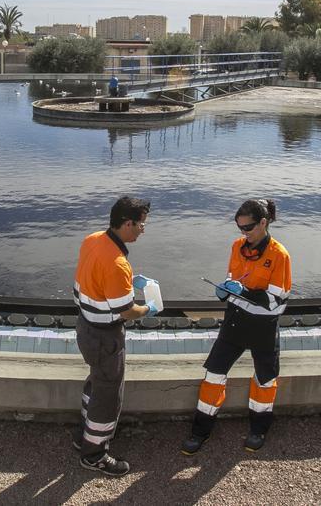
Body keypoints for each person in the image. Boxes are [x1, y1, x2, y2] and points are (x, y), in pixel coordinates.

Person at [181, 198, 291, 455]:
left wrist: (245, 292)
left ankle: (259, 429)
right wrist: (225, 292)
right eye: (240, 228)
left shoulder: (279, 255)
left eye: (248, 228)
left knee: (265, 380)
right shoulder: (236, 247)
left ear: (263, 223)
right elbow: (233, 280)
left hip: (264, 327)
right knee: (213, 375)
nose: (243, 233)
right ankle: (200, 431)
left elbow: (277, 302)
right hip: (235, 323)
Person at [73, 196, 160, 477]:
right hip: (106, 338)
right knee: (109, 396)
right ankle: (94, 454)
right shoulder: (118, 264)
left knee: (96, 383)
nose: (143, 230)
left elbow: (95, 278)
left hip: (85, 327)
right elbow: (126, 310)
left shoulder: (93, 239)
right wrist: (149, 309)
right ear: (127, 223)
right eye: (141, 225)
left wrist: (124, 283)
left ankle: (84, 435)